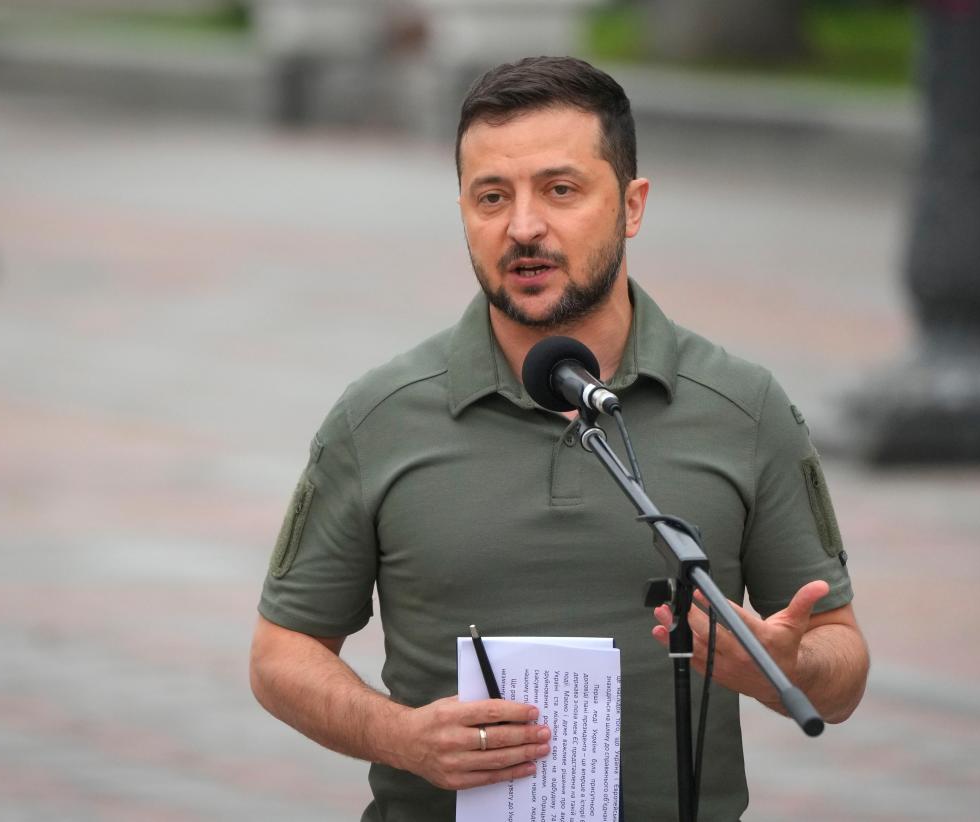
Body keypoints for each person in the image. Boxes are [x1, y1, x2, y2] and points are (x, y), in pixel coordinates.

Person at [249, 56, 869, 821]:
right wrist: (402, 736)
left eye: (561, 190)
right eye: (491, 197)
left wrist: (789, 663)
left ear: (632, 206)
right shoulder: (379, 415)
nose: (524, 227)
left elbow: (842, 668)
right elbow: (281, 654)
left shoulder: (742, 408)